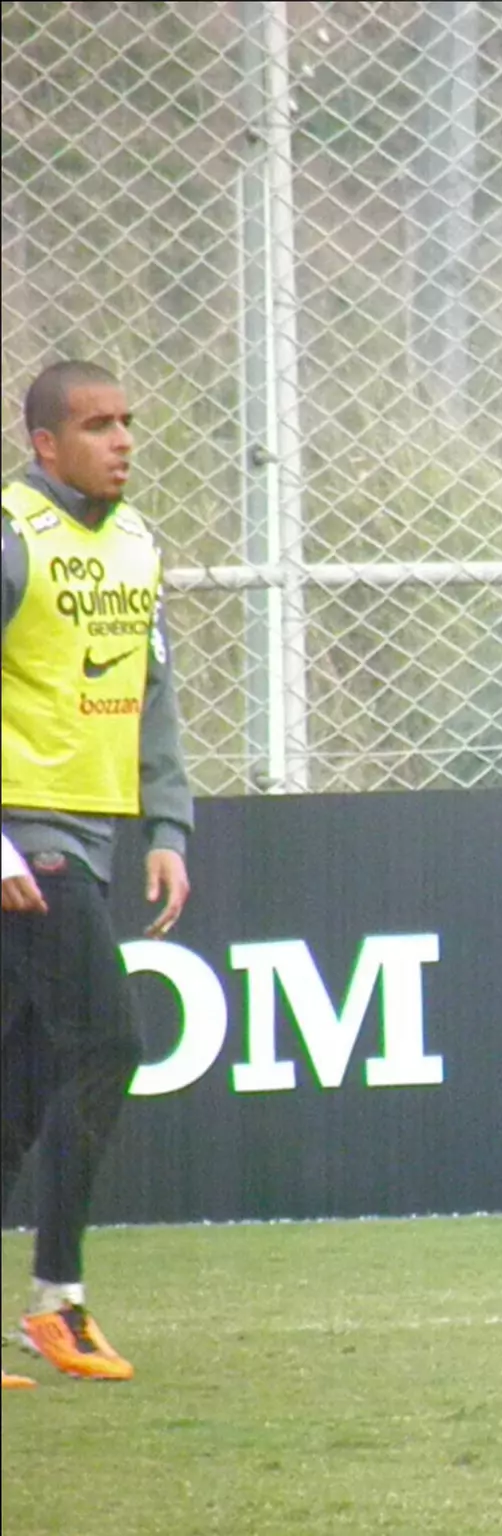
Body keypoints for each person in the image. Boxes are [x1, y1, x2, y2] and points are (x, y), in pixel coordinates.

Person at [2, 359, 193, 1388]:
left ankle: (47, 1309)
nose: (121, 440)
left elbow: (153, 692)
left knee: (21, 1084)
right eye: (96, 425)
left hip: (99, 834)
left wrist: (168, 823)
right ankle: (58, 1300)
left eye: (128, 421)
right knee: (111, 1039)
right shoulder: (11, 539)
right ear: (44, 445)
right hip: (28, 845)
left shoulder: (134, 544)